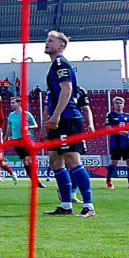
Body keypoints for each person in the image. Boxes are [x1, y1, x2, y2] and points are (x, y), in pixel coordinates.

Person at [42, 31, 94, 217]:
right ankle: (66, 205)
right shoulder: (55, 65)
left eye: (51, 40)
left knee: (72, 160)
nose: (47, 43)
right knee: (55, 160)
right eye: (47, 40)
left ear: (61, 46)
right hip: (60, 119)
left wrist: (57, 115)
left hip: (68, 118)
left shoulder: (60, 63)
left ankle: (88, 206)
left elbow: (67, 88)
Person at [4, 96, 45, 188]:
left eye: (13, 103)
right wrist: (6, 137)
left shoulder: (27, 114)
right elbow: (9, 126)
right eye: (11, 103)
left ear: (19, 103)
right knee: (25, 161)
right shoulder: (11, 115)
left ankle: (36, 180)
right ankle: (34, 180)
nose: (11, 104)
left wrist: (28, 127)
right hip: (16, 141)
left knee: (29, 160)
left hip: (26, 139)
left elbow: (35, 125)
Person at [105, 96, 129, 190]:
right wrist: (119, 132)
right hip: (115, 143)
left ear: (123, 105)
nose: (119, 105)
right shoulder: (110, 115)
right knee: (114, 162)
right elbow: (108, 128)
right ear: (113, 105)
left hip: (127, 142)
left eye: (120, 103)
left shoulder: (128, 116)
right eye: (117, 103)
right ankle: (108, 180)